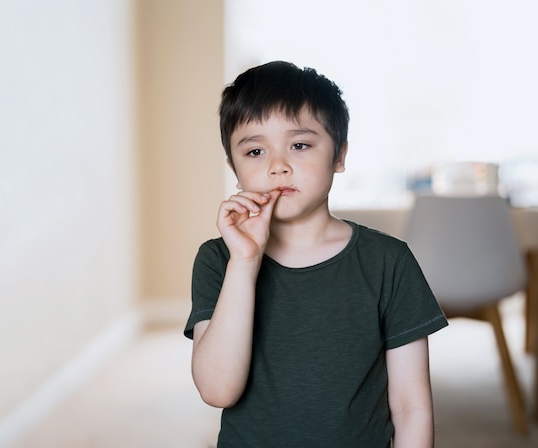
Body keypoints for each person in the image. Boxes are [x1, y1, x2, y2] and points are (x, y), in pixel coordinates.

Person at [184, 61, 448, 447]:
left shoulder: (389, 261)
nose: (278, 166)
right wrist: (245, 261)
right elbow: (217, 391)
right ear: (234, 169)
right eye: (255, 151)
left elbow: (411, 407)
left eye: (300, 145)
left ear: (339, 155)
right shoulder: (219, 260)